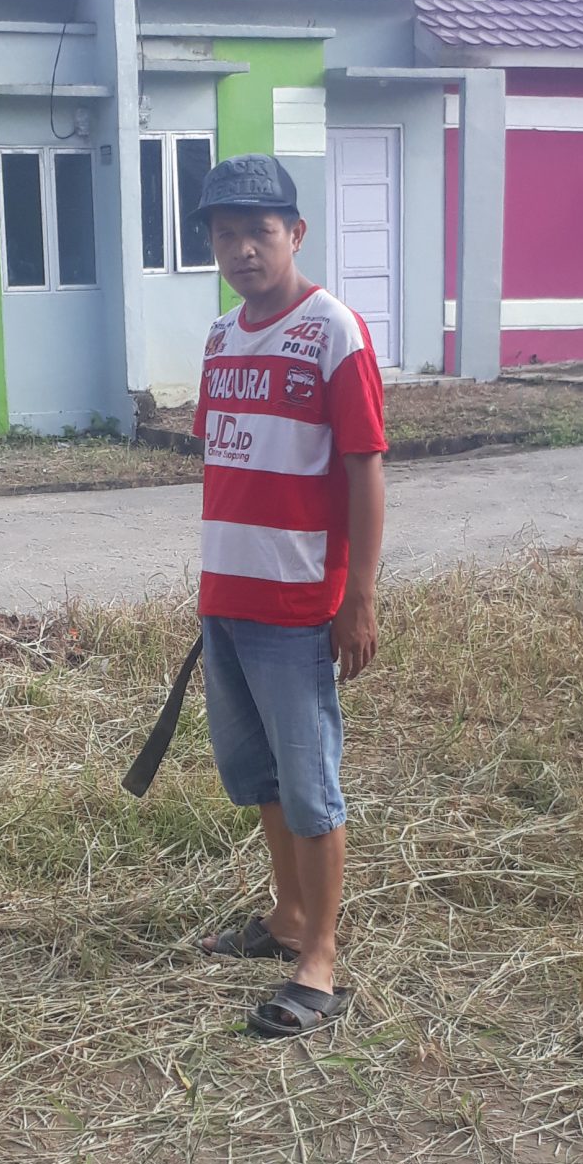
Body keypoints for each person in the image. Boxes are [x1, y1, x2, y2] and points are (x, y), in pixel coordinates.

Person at [191, 152, 387, 1036]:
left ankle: (321, 961)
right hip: (227, 600)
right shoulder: (220, 339)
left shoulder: (333, 331)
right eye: (225, 234)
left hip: (299, 606)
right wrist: (216, 586)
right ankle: (287, 918)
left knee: (310, 786)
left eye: (259, 231)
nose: (242, 248)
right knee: (260, 775)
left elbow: (364, 468)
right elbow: (231, 464)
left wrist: (359, 598)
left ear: (296, 234)